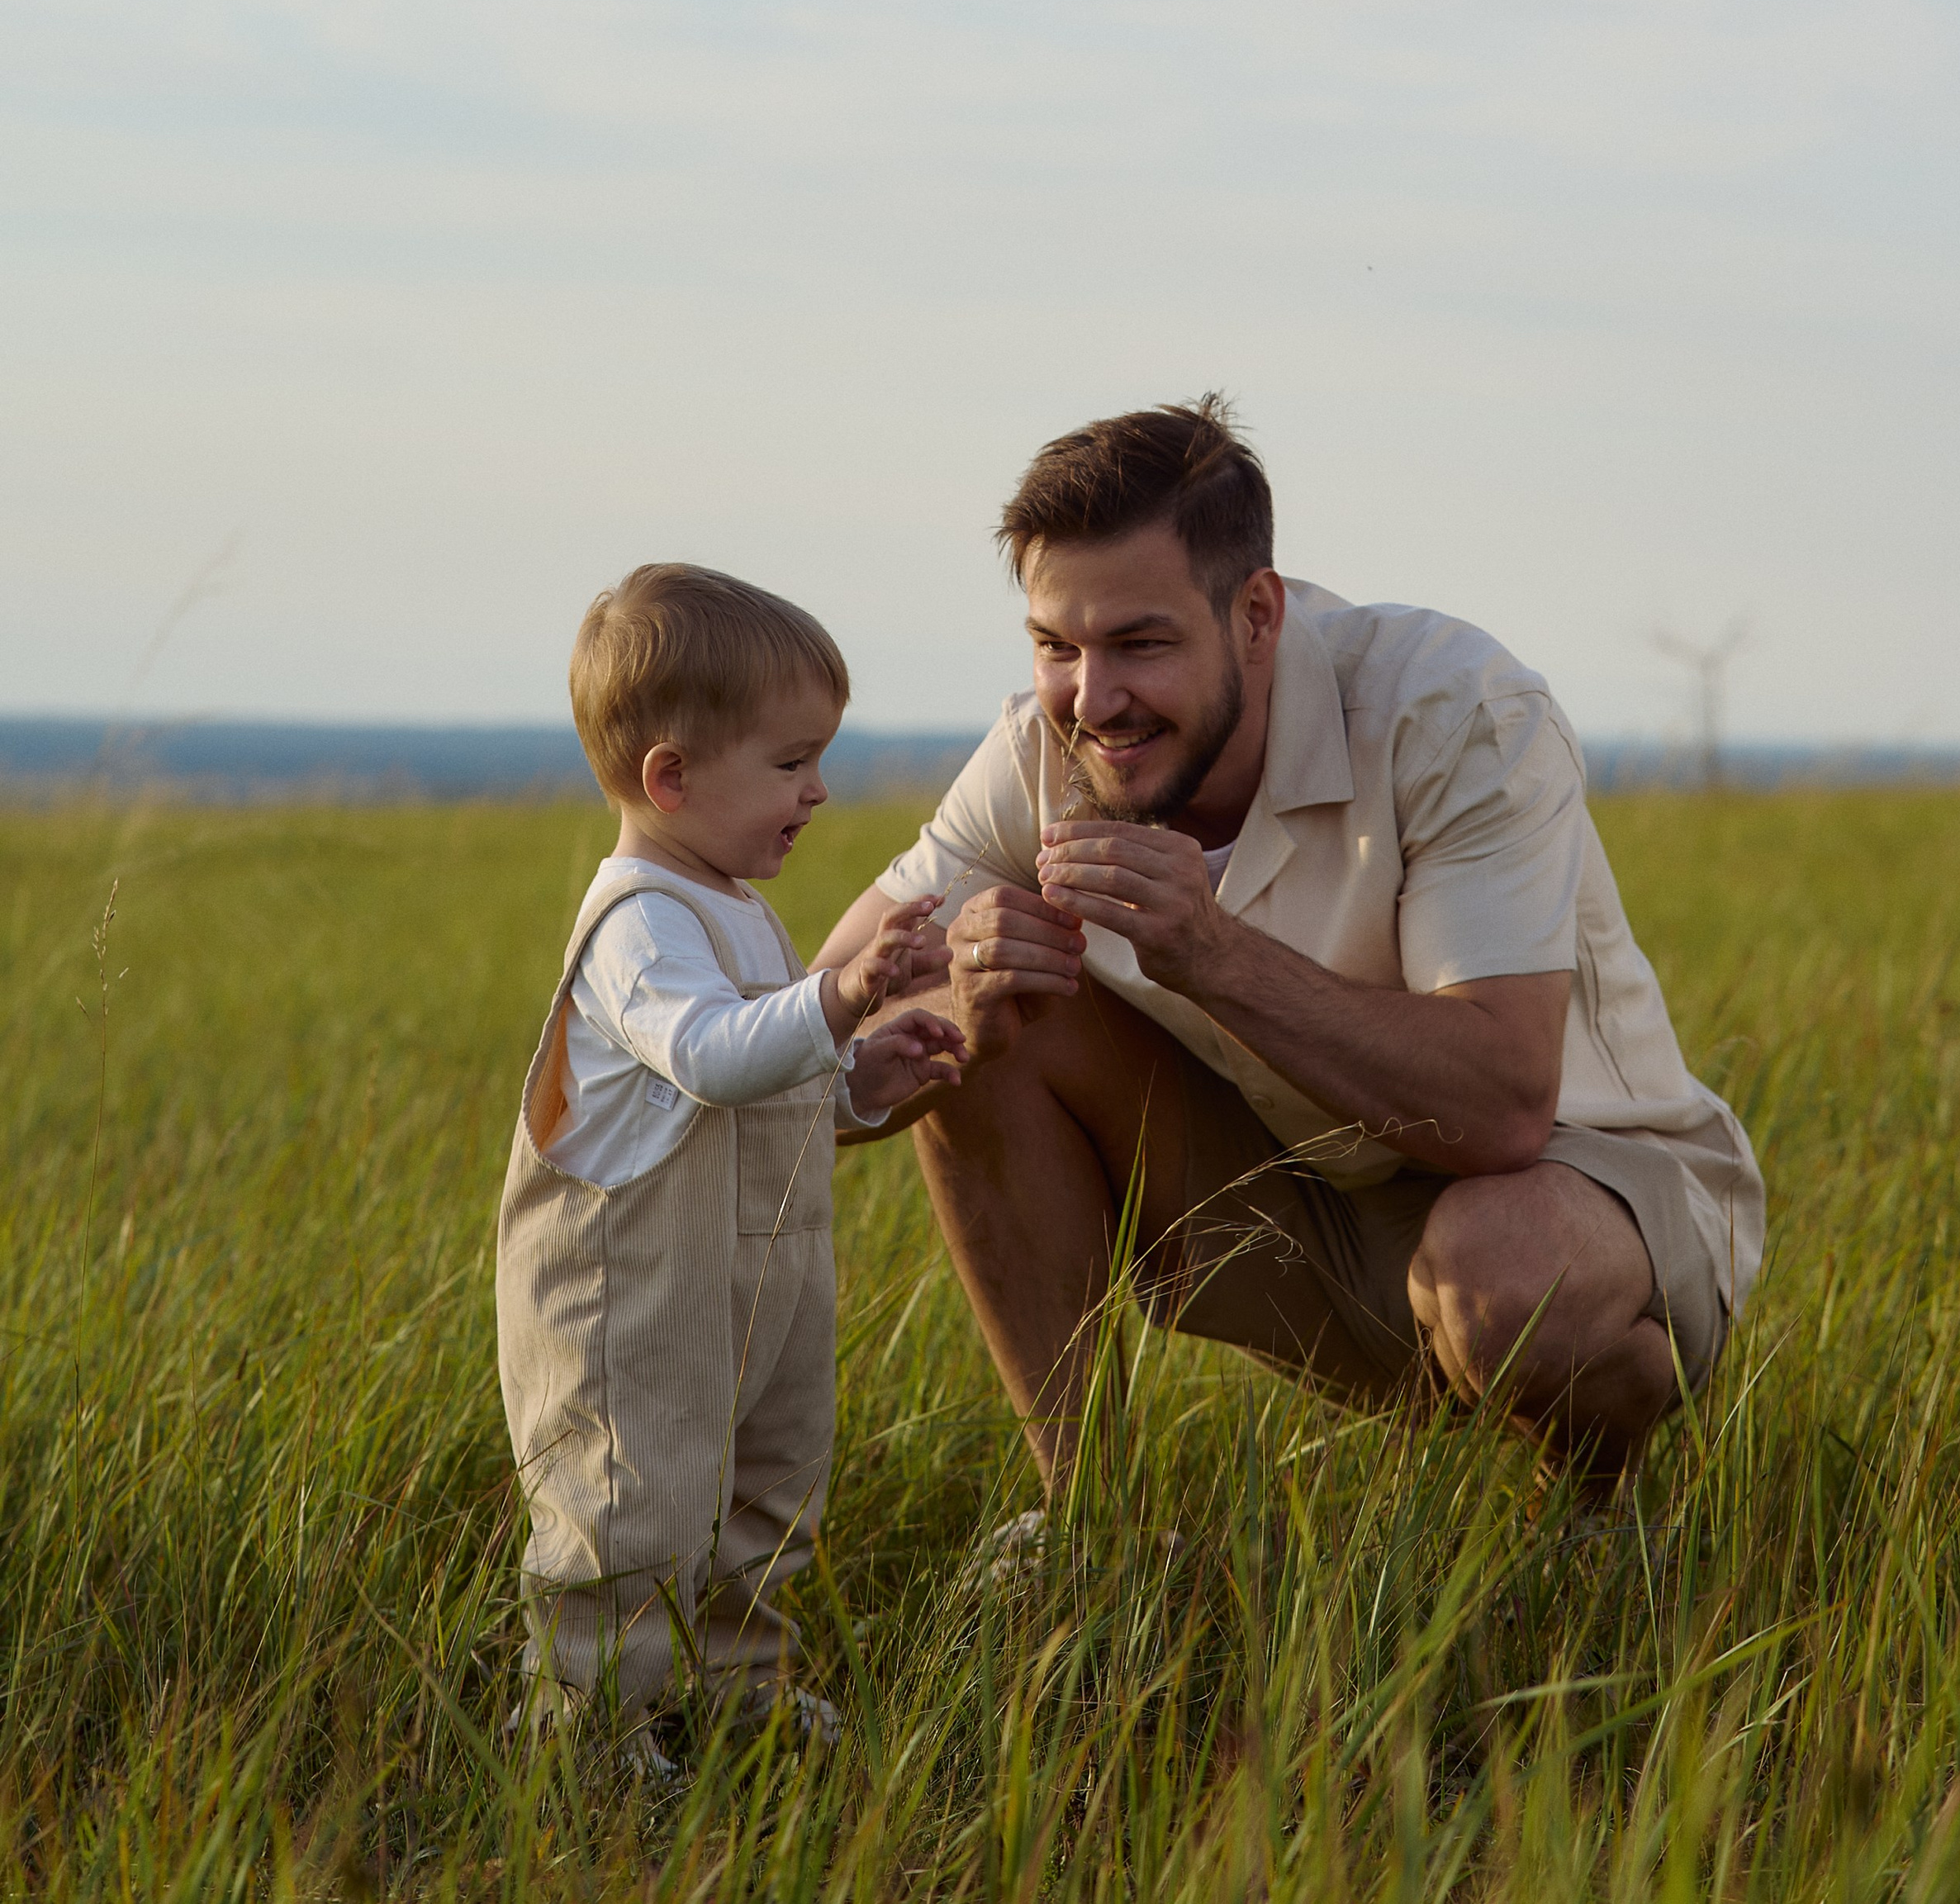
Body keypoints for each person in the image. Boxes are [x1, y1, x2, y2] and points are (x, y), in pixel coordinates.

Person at [815, 400, 1765, 1495]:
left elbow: (1504, 1105)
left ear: (1256, 612)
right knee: (989, 1023)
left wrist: (1212, 951)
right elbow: (794, 1047)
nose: (1093, 696)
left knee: (1499, 1270)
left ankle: (1608, 1505)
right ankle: (1092, 1534)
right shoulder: (1038, 754)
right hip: (1308, 1203)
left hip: (1577, 1196)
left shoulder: (1455, 711)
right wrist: (956, 1024)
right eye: (1054, 645)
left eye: (1140, 641)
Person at [495, 563, 965, 1743]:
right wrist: (845, 992)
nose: (817, 789)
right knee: (627, 1503)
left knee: (770, 1486)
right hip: (633, 1294)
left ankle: (736, 1691)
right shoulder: (639, 922)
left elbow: (759, 1093)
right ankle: (588, 1729)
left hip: (755, 1278)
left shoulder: (735, 903)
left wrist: (858, 1085)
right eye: (791, 760)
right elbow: (705, 1055)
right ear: (672, 776)